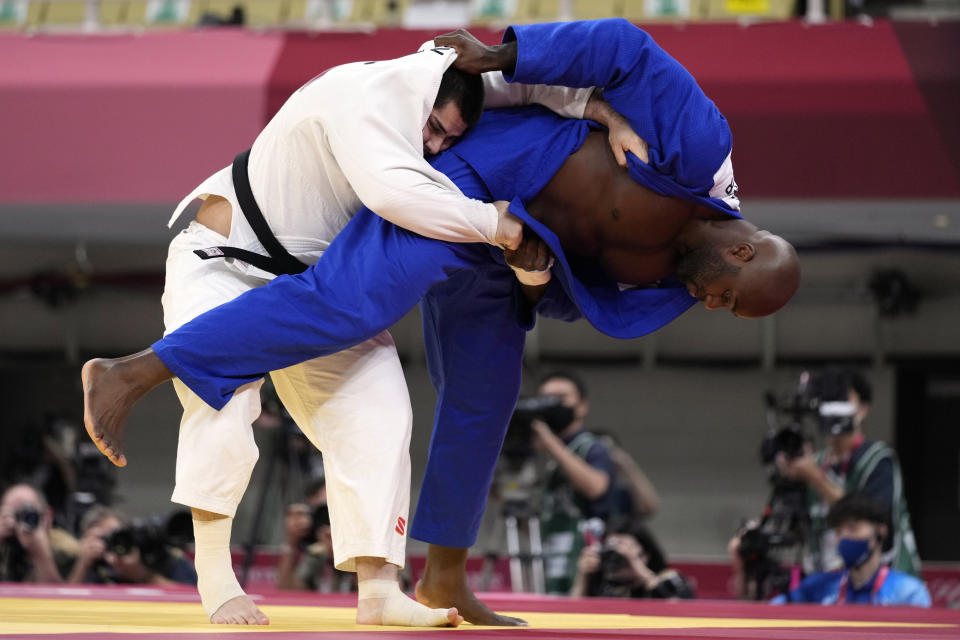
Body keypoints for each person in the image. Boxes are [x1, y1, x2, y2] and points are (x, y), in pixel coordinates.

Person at [82, 19, 800, 625]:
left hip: (514, 254)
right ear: (740, 248)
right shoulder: (698, 153)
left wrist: (532, 278)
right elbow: (623, 50)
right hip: (481, 177)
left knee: (486, 394)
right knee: (349, 301)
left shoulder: (672, 286)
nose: (712, 307)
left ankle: (443, 577)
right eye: (729, 296)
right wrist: (505, 55)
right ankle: (138, 368)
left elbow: (576, 297)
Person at [775, 370, 920, 577]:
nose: (834, 409)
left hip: (884, 584)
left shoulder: (878, 460)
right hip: (829, 582)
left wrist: (815, 478)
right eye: (829, 401)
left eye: (843, 401)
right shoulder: (813, 463)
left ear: (862, 410)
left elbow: (870, 519)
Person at [530, 372, 616, 594]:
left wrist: (549, 441)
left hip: (586, 562)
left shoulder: (592, 447)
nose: (553, 405)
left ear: (582, 405)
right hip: (552, 557)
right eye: (546, 399)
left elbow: (596, 487)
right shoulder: (546, 457)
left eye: (561, 397)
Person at [772, 493, 929, 607]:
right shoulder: (818, 585)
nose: (844, 538)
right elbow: (773, 610)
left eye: (853, 528)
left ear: (881, 531)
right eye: (839, 532)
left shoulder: (909, 593)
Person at [67, 505, 197, 586]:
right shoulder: (94, 565)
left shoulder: (164, 557)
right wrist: (83, 565)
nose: (114, 543)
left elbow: (194, 598)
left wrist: (147, 577)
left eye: (118, 535)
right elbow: (67, 605)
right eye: (104, 539)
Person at [571, 520, 693, 599]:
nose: (617, 556)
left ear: (645, 555)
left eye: (625, 548)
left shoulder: (669, 578)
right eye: (612, 549)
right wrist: (583, 577)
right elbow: (573, 614)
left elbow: (679, 608)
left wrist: (641, 571)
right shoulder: (604, 586)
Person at [0, 483, 77, 583]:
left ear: (47, 516)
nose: (18, 521)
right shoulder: (5, 546)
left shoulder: (66, 550)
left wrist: (40, 552)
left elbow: (57, 596)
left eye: (27, 513)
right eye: (13, 514)